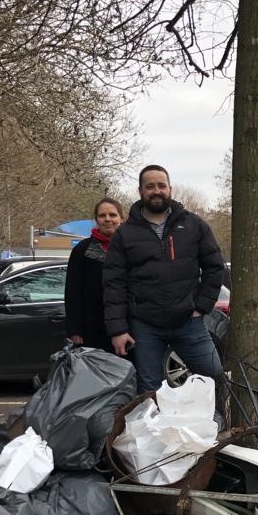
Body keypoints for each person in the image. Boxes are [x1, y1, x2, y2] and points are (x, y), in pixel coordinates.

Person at [103, 165, 226, 393]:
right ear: (140, 191)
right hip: (145, 325)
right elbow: (114, 284)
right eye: (150, 186)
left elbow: (215, 267)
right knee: (149, 389)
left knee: (213, 375)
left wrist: (202, 305)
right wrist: (118, 329)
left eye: (161, 185)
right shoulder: (125, 233)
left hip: (189, 322)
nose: (156, 190)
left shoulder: (194, 225)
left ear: (169, 189)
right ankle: (155, 429)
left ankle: (214, 426)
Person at [64, 198, 125, 352]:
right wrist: (75, 329)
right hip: (92, 328)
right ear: (96, 220)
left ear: (121, 218)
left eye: (112, 215)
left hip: (126, 327)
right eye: (102, 215)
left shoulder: (131, 248)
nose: (107, 219)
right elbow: (73, 291)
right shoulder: (82, 250)